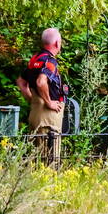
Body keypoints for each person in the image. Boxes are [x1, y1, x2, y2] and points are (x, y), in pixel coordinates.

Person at [17, 27, 66, 167]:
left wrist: (32, 100)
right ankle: (50, 186)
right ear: (57, 43)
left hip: (35, 112)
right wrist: (49, 102)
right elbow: (41, 82)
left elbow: (21, 81)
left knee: (36, 155)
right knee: (50, 156)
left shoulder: (35, 59)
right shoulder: (50, 61)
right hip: (48, 115)